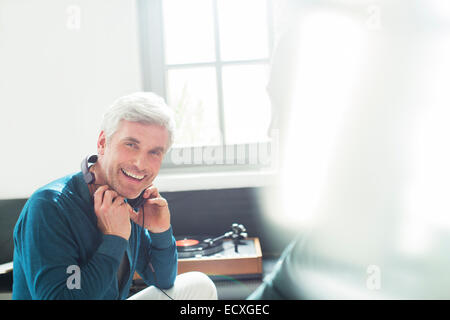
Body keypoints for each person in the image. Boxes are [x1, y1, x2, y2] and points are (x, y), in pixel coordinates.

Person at [12, 92, 217, 300]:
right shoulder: (49, 206)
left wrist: (161, 232)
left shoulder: (128, 198)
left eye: (154, 152)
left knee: (199, 286)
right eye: (131, 145)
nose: (140, 163)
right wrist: (114, 238)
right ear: (102, 142)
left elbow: (163, 280)